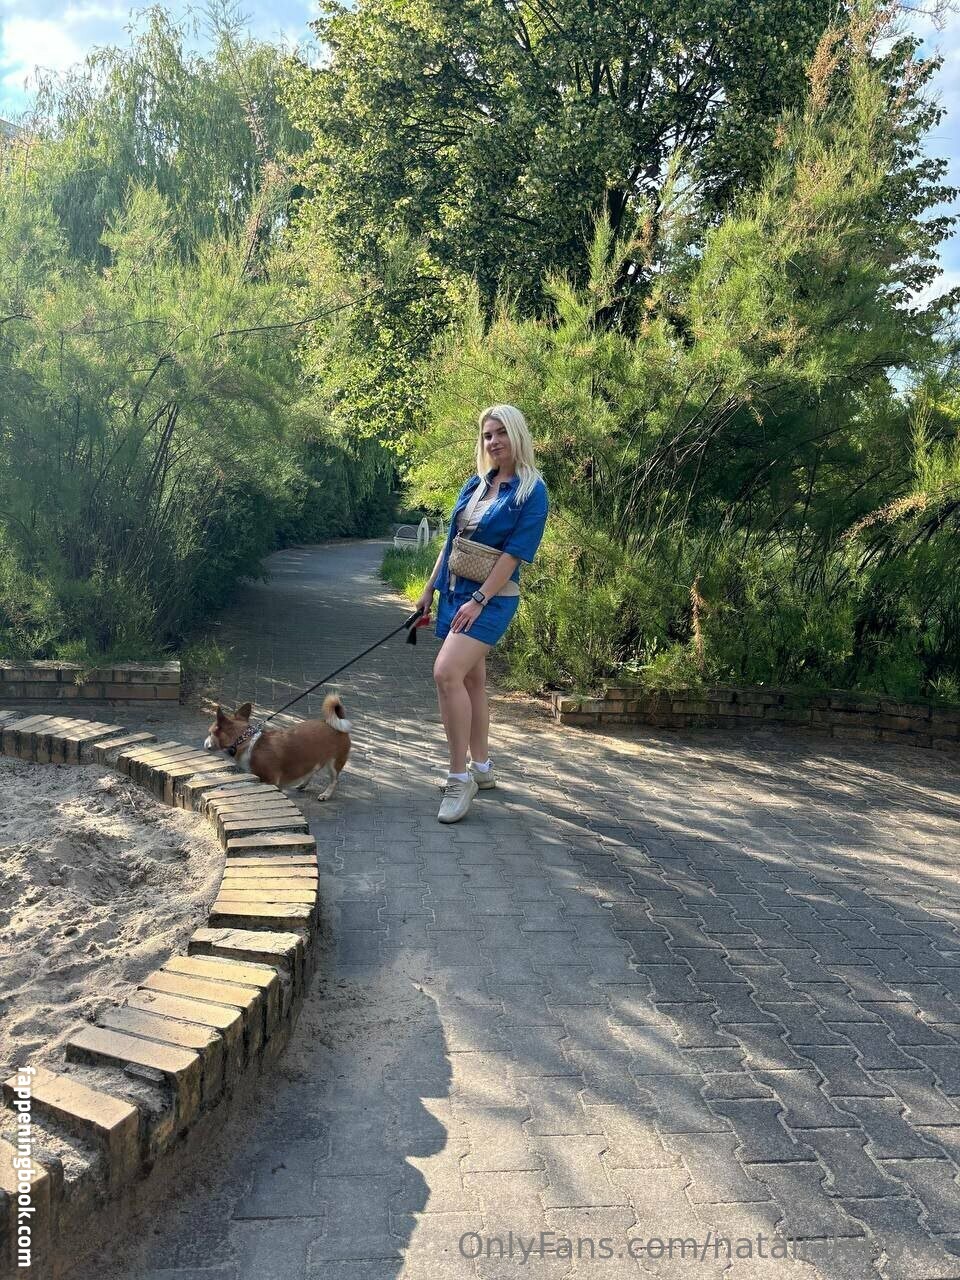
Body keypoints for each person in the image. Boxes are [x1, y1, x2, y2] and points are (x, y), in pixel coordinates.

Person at [415, 404, 549, 823]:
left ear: (517, 435)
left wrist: (479, 600)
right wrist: (429, 588)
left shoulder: (532, 491)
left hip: (492, 598)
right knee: (471, 679)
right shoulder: (476, 484)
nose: (493, 441)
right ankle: (482, 768)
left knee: (445, 673)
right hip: (455, 592)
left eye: (501, 433)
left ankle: (459, 779)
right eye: (488, 435)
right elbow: (451, 543)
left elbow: (513, 555)